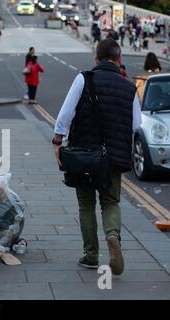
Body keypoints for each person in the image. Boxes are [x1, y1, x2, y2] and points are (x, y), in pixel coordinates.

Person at [53, 39, 142, 276]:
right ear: (119, 59)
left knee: (86, 204)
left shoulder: (84, 79)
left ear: (96, 59)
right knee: (110, 202)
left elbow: (65, 113)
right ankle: (113, 236)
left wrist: (57, 142)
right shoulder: (129, 87)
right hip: (113, 157)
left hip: (84, 155)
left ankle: (91, 256)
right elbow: (135, 124)